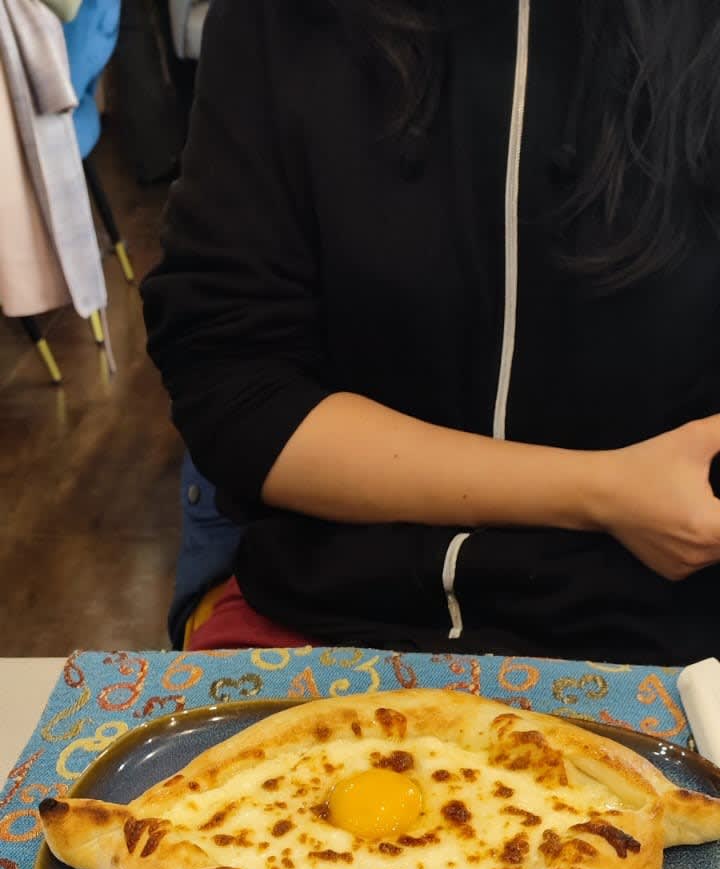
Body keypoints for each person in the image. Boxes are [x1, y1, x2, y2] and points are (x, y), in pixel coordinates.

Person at [142, 0, 720, 664]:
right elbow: (236, 386)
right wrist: (605, 491)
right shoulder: (281, 21)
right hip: (328, 613)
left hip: (669, 639)